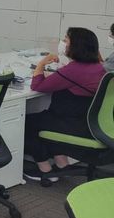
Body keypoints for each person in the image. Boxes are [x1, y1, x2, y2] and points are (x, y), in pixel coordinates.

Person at [24, 27, 106, 185]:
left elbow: (37, 86)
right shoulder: (100, 67)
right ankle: (62, 163)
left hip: (72, 125)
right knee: (46, 118)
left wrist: (41, 64)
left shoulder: (73, 70)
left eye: (66, 40)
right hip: (90, 123)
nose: (63, 43)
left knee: (27, 123)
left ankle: (45, 170)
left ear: (76, 46)